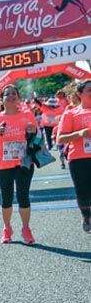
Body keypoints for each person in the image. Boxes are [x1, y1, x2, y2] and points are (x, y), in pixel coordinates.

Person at [0, 85, 39, 244]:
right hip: (2, 165)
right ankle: (7, 228)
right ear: (2, 99)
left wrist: (33, 131)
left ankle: (26, 229)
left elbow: (37, 136)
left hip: (24, 162)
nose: (11, 96)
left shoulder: (27, 115)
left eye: (14, 94)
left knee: (23, 197)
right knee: (6, 199)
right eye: (7, 94)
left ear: (18, 97)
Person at [55, 79, 91, 232]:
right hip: (78, 158)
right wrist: (80, 133)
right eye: (89, 90)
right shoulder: (71, 113)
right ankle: (86, 215)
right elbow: (60, 138)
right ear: (79, 94)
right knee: (82, 191)